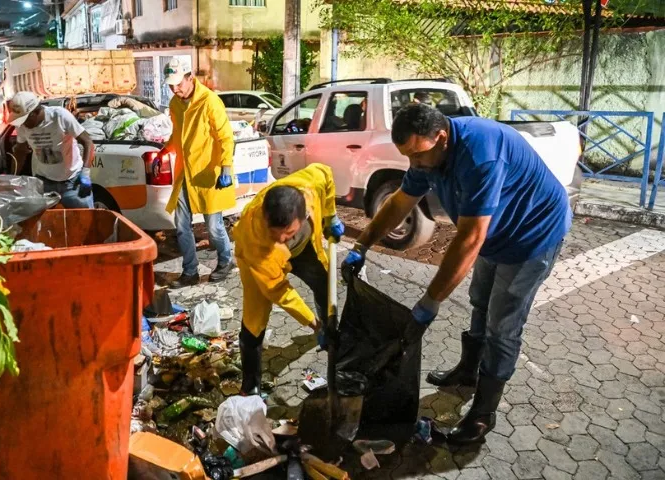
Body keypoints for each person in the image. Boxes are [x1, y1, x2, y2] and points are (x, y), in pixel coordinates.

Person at [343, 104, 571, 445]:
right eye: (408, 157)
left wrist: (429, 301)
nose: (414, 165)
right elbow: (400, 202)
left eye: (418, 156)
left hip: (532, 237)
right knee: (479, 300)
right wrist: (361, 245)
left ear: (442, 137)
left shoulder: (481, 156)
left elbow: (469, 239)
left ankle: (483, 415)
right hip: (494, 237)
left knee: (502, 325)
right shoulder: (427, 153)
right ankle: (468, 371)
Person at [233, 164, 345, 396]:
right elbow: (280, 292)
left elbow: (326, 173)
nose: (282, 241)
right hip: (259, 264)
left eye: (288, 233)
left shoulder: (310, 185)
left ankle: (330, 329)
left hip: (304, 249)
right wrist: (312, 323)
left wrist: (330, 216)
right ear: (264, 215)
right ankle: (250, 385)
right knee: (254, 320)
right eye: (276, 234)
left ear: (304, 216)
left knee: (325, 284)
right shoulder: (256, 238)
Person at [162, 59, 236, 288]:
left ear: (190, 77)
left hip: (208, 174)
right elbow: (177, 136)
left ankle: (226, 261)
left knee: (214, 227)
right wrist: (164, 150)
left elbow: (225, 137)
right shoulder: (175, 104)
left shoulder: (209, 102)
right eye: (171, 85)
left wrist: (225, 167)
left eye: (178, 84)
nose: (175, 89)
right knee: (182, 226)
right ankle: (190, 271)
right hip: (185, 174)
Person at [8, 91, 95, 208]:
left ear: (36, 111)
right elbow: (20, 152)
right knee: (48, 223)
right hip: (44, 183)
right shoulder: (22, 126)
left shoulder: (59, 116)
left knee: (85, 220)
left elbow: (88, 142)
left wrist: (85, 174)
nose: (23, 124)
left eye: (26, 119)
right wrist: (12, 178)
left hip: (72, 183)